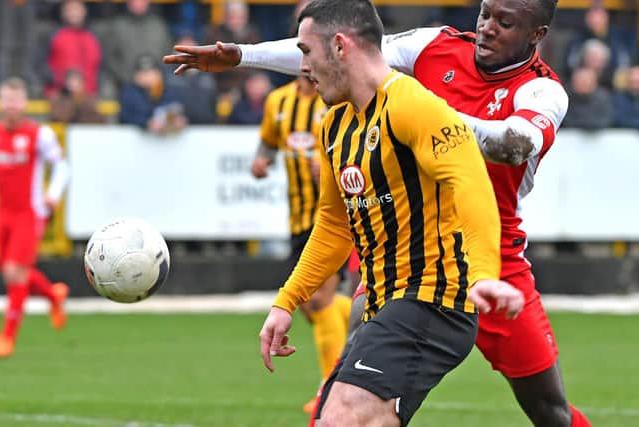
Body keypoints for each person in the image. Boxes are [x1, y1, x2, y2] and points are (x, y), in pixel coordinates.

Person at [162, 0, 593, 426]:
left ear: (537, 34)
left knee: (549, 411)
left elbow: (510, 147)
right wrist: (242, 55)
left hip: (492, 256)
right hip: (405, 244)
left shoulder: (540, 90)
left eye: (505, 22)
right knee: (349, 386)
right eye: (483, 14)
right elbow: (337, 50)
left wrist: (429, 117)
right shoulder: (425, 52)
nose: (487, 28)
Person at [252, 74, 351, 413]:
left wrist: (329, 169)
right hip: (298, 218)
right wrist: (261, 160)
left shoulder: (339, 98)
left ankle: (332, 389)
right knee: (313, 306)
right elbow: (268, 140)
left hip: (335, 218)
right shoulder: (278, 101)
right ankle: (365, 320)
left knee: (319, 300)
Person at [0, 77, 70, 358]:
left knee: (13, 272)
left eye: (16, 100)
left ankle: (8, 337)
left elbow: (62, 167)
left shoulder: (39, 134)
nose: (12, 105)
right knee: (14, 271)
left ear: (25, 103)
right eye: (7, 99)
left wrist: (52, 195)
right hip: (2, 212)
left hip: (28, 214)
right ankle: (53, 295)